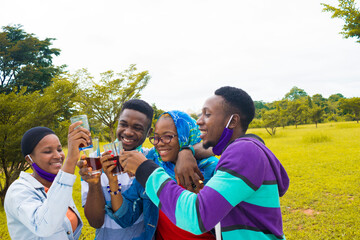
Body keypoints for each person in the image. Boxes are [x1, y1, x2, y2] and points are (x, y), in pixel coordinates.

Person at [120, 86, 290, 240]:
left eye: (207, 114)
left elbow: (196, 216)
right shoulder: (245, 150)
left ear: (232, 121)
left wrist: (145, 169)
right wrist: (187, 151)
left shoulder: (244, 152)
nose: (199, 121)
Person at [78, 99, 211, 240]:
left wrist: (187, 151)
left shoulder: (151, 159)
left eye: (137, 128)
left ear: (148, 132)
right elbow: (103, 221)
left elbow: (215, 147)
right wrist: (101, 182)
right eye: (123, 124)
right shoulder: (97, 162)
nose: (128, 132)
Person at [4, 123, 89, 239]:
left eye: (59, 149)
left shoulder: (58, 185)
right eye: (47, 151)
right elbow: (44, 227)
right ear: (29, 159)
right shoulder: (18, 191)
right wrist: (71, 160)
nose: (58, 155)